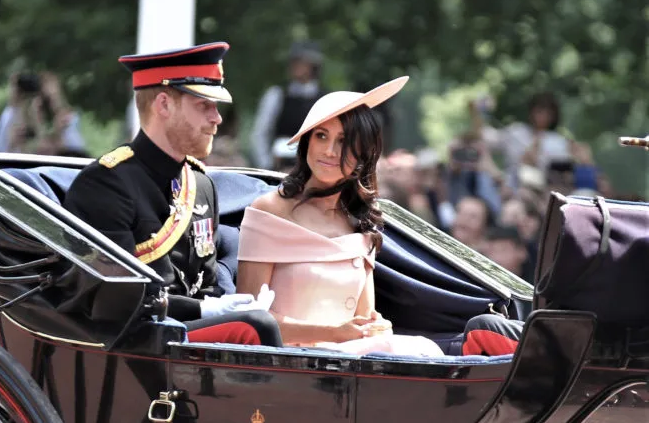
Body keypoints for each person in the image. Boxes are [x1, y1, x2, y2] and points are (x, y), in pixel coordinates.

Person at [237, 79, 523, 357]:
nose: (329, 151)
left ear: (363, 154)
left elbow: (365, 317)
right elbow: (248, 323)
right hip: (287, 363)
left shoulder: (360, 222)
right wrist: (334, 332)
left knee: (435, 349)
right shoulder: (270, 210)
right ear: (307, 142)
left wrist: (372, 328)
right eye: (321, 136)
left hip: (352, 360)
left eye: (343, 141)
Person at [64, 42, 281, 346]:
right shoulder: (105, 184)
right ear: (164, 105)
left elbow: (205, 283)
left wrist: (224, 303)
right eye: (204, 105)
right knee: (256, 328)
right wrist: (204, 309)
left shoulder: (200, 184)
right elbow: (115, 298)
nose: (217, 118)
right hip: (138, 341)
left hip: (185, 339)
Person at [251, 40, 326, 171]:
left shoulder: (325, 99)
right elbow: (260, 133)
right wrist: (267, 165)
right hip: (281, 167)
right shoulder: (276, 95)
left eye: (301, 62)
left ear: (313, 66)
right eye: (294, 61)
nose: (295, 66)